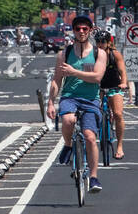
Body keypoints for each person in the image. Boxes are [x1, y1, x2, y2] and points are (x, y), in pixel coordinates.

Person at [46, 15, 107, 194]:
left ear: (90, 30)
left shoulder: (99, 53)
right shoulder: (64, 54)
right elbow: (57, 80)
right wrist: (50, 102)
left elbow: (97, 77)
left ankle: (94, 177)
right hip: (70, 97)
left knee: (89, 137)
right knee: (68, 121)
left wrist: (74, 71)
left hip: (90, 99)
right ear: (73, 31)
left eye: (85, 29)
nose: (81, 32)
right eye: (78, 29)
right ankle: (68, 145)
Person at [96, 29, 127, 161]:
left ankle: (119, 146)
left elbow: (122, 71)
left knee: (118, 114)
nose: (100, 44)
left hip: (114, 86)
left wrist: (124, 83)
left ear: (109, 43)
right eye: (98, 42)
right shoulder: (93, 55)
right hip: (99, 87)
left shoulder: (115, 55)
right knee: (94, 113)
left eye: (103, 41)